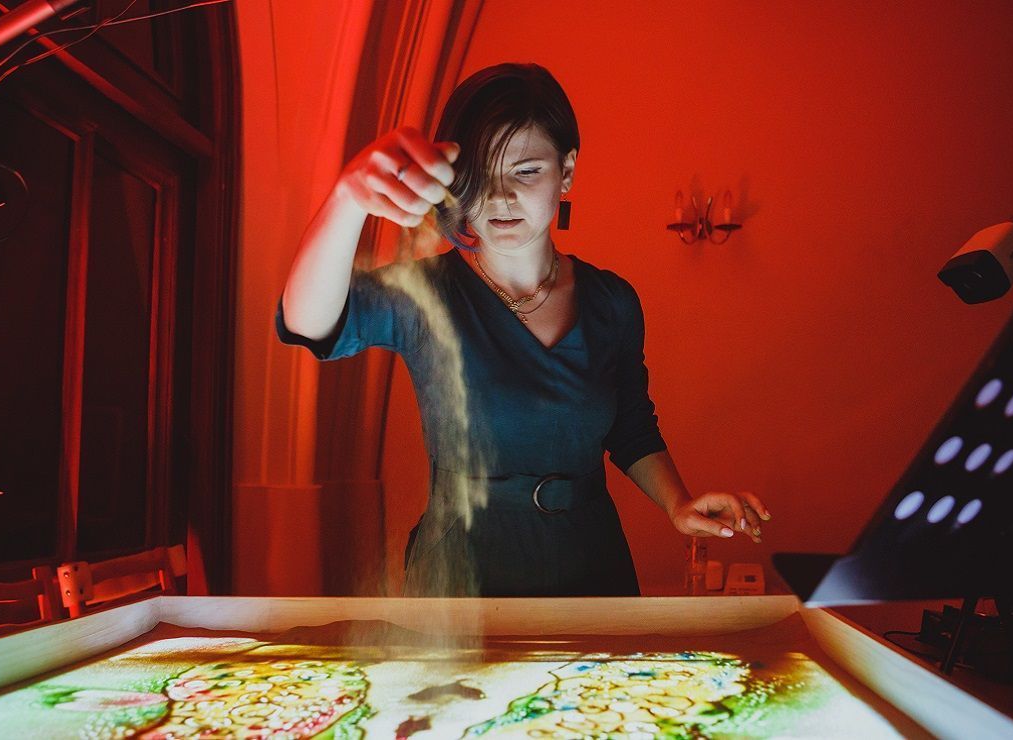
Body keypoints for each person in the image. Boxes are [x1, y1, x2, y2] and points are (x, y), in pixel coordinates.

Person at [277, 62, 771, 597]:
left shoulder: (613, 302)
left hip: (592, 564)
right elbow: (308, 323)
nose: (500, 196)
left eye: (527, 171)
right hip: (461, 572)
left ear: (567, 170)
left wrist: (678, 504)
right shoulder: (425, 293)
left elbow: (631, 427)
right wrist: (348, 198)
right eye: (480, 174)